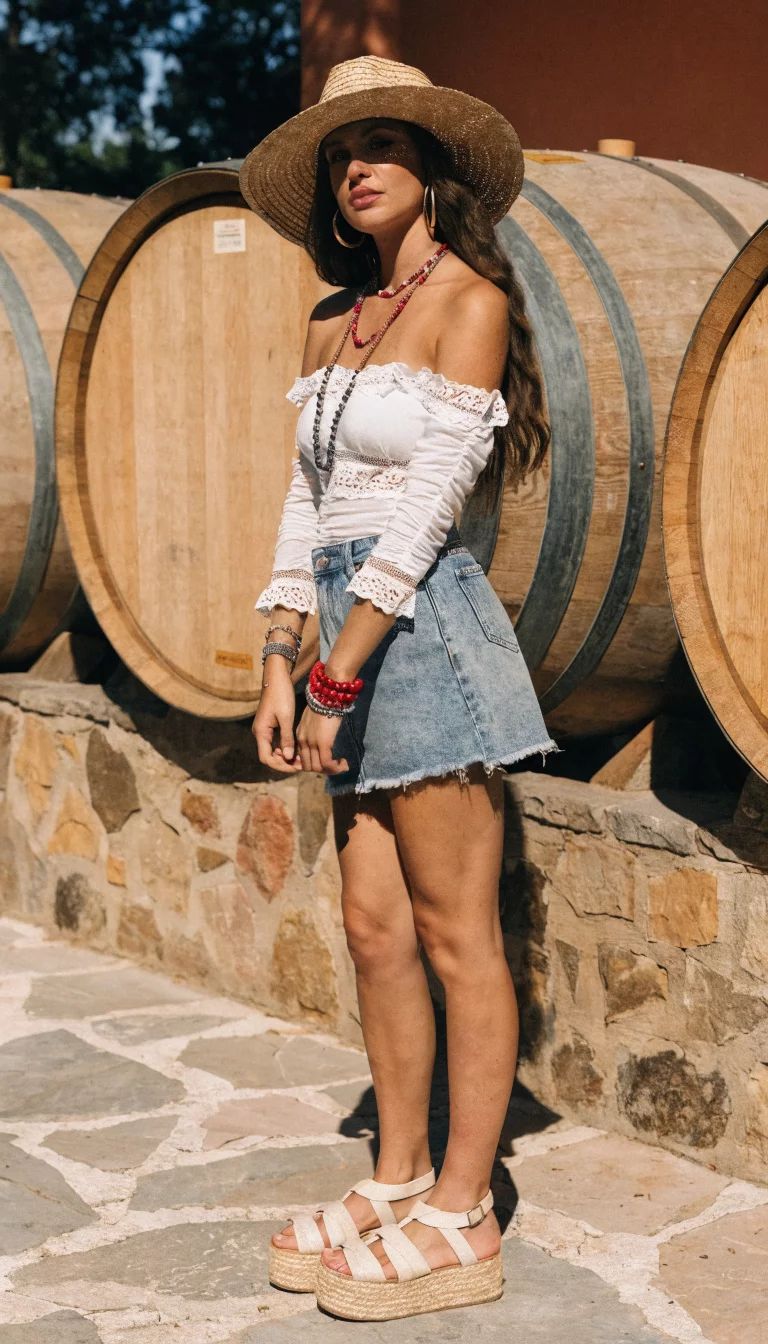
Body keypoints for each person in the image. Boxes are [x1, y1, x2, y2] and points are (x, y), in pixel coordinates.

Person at [240, 54, 557, 1322]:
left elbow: (423, 518)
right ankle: (400, 1176)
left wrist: (335, 670)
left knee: (451, 932)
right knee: (373, 931)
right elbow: (306, 499)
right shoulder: (331, 319)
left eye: (380, 143)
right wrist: (279, 650)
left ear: (430, 169)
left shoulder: (467, 300)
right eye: (338, 152)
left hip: (419, 634)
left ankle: (465, 1216)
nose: (356, 165)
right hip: (332, 639)